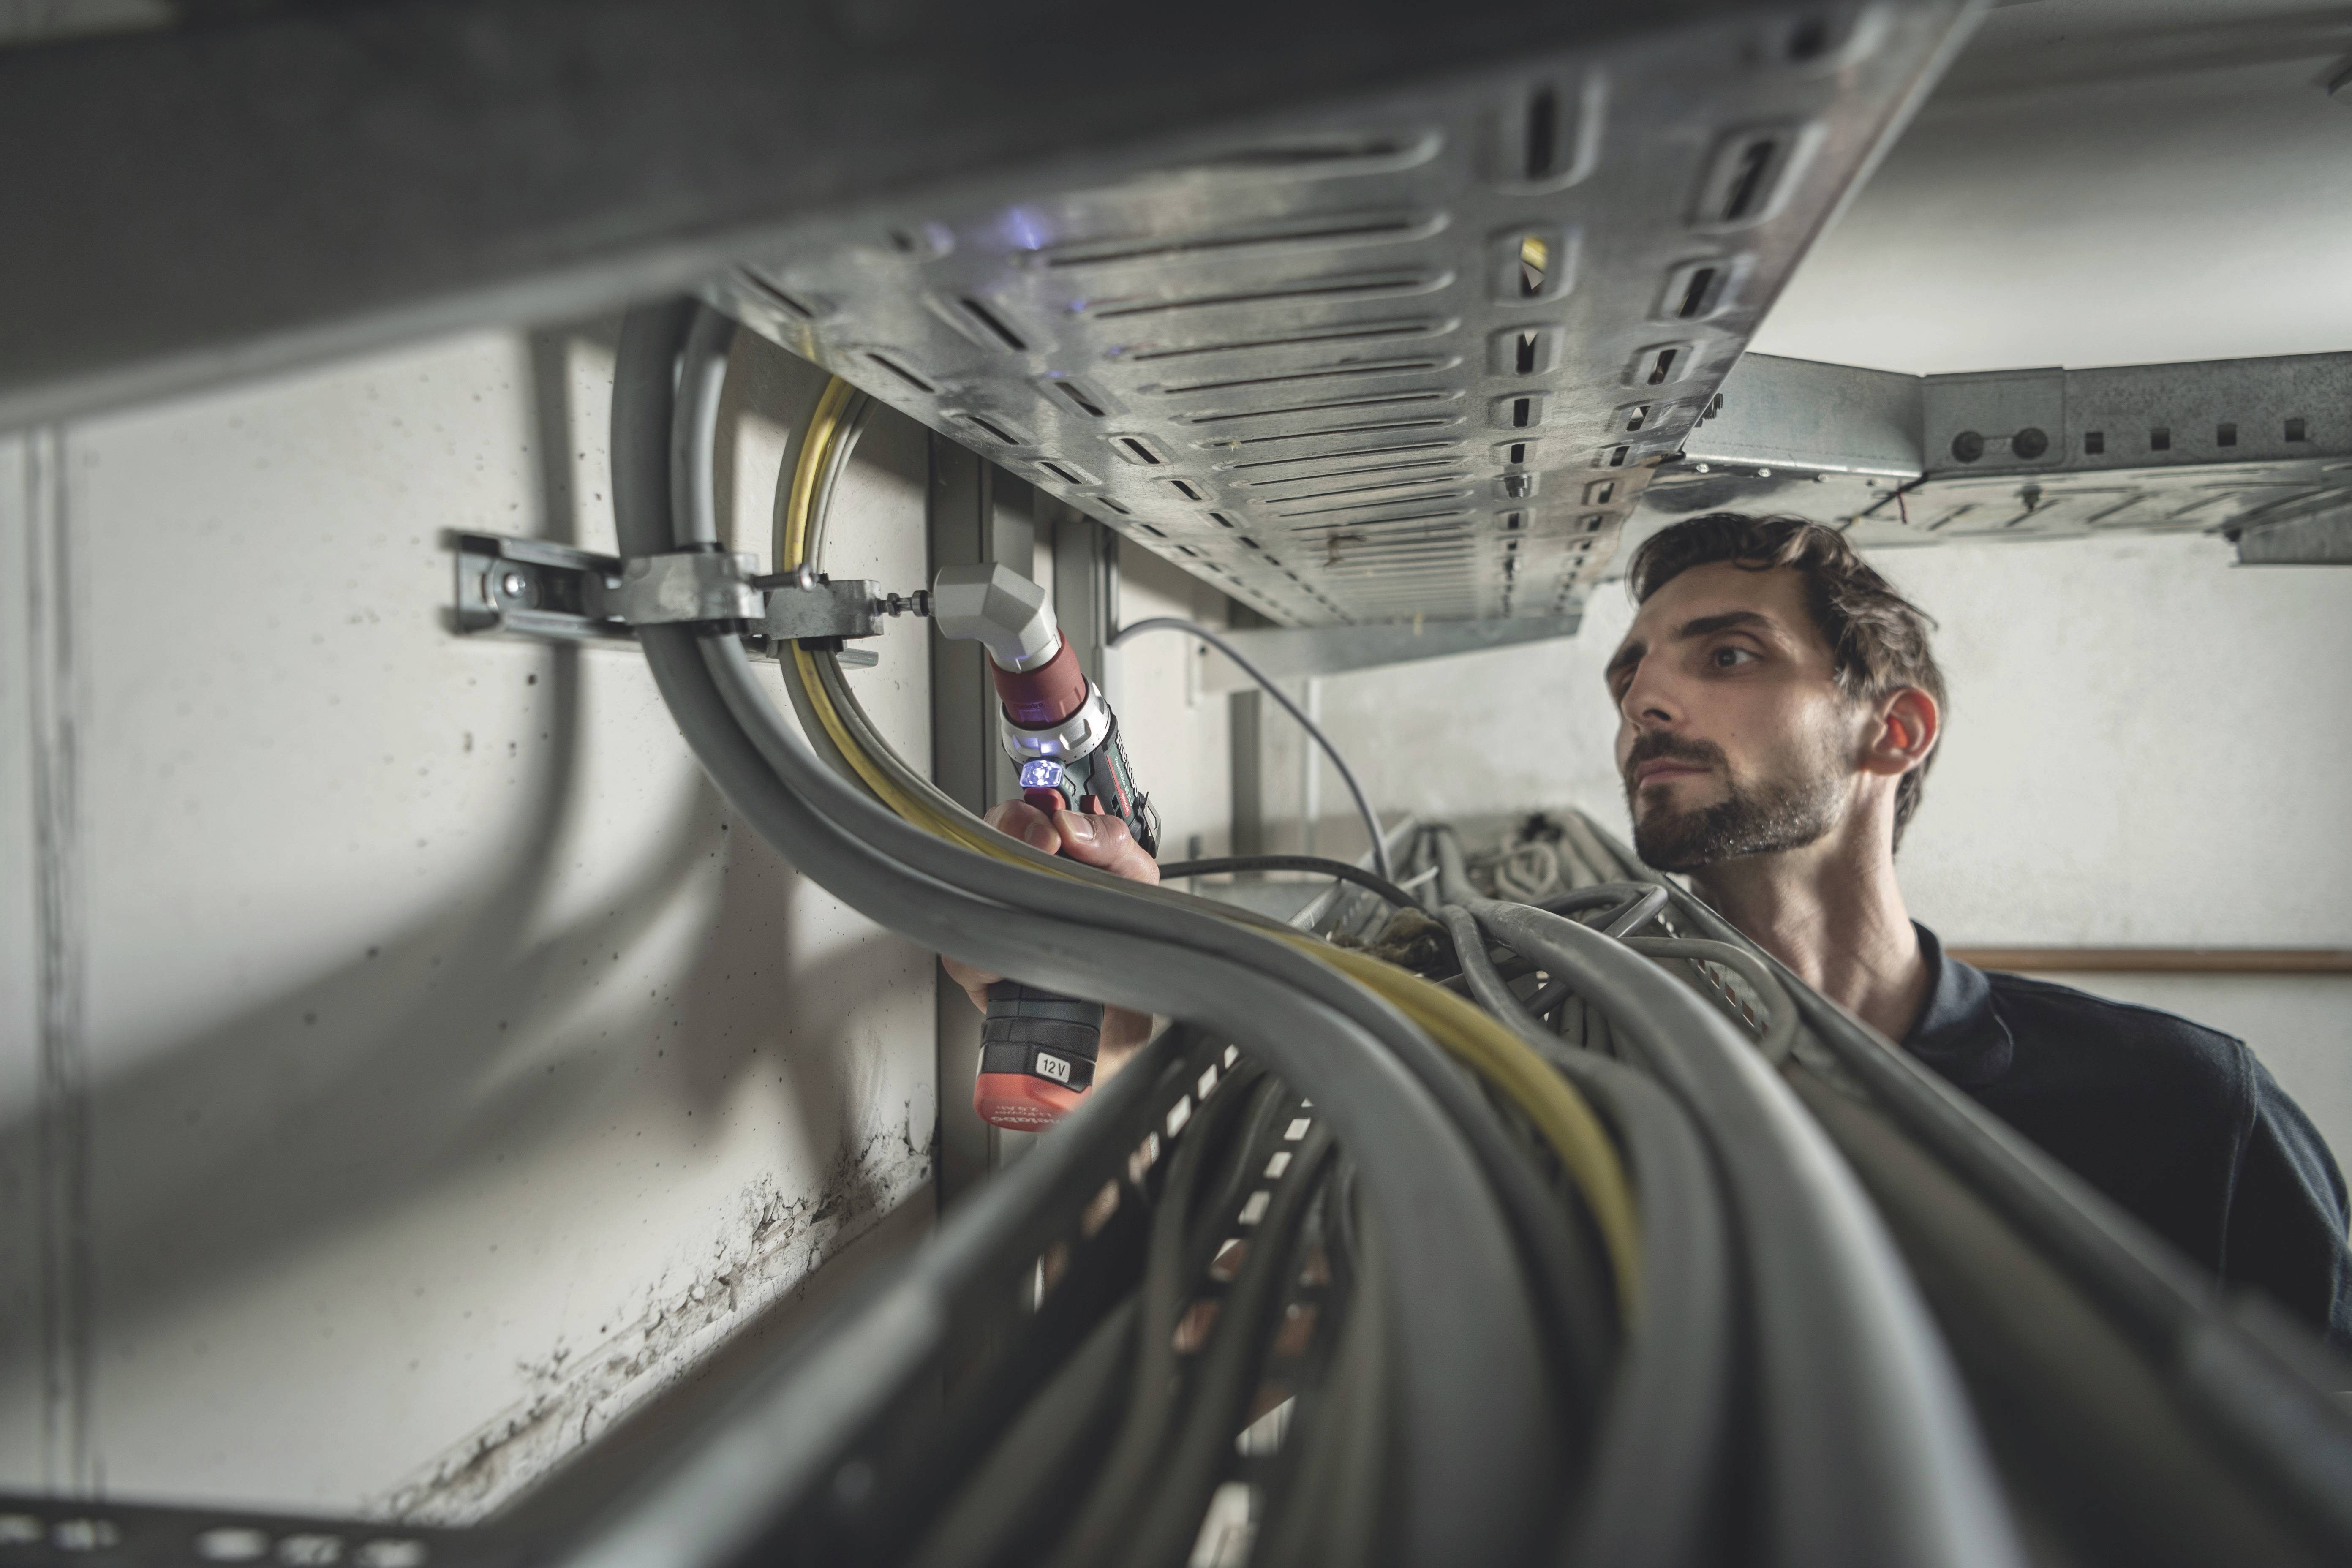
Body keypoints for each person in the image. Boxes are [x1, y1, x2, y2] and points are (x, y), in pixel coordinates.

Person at [1607, 512, 2350, 1344]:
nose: (1644, 702)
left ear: (1895, 732)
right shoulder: (1586, 1088)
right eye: (1628, 675)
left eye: (1729, 655)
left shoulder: (2191, 1107)